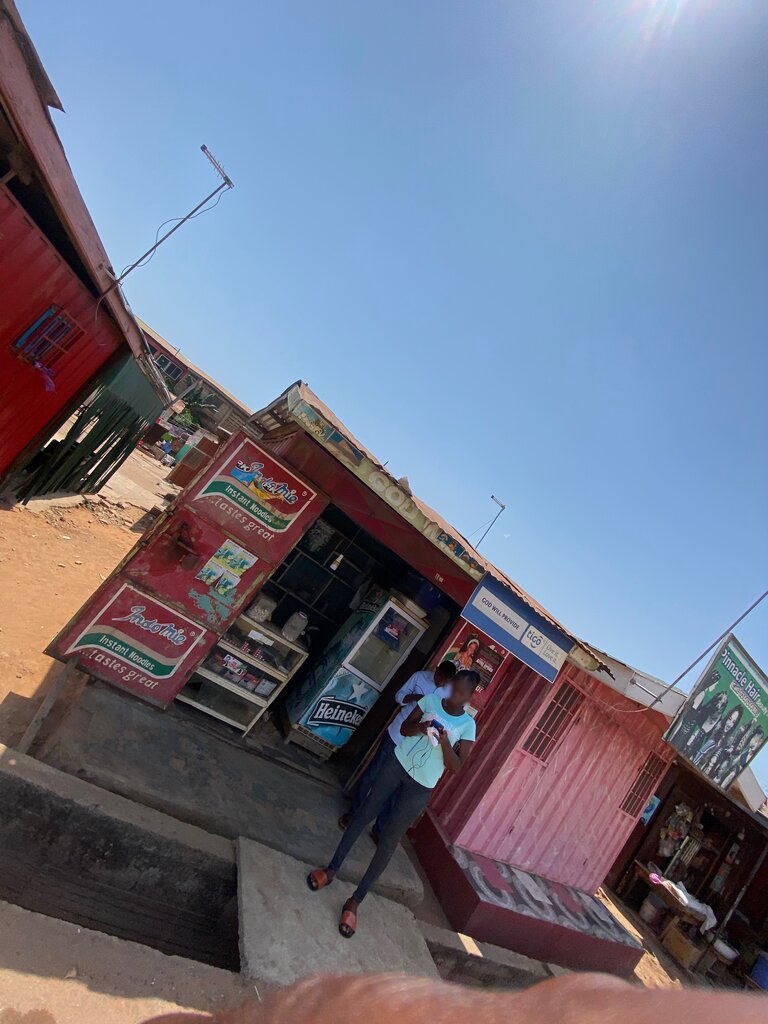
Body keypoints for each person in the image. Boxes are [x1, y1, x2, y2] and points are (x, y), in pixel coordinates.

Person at [307, 670, 479, 938]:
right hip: (396, 766)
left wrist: (445, 743)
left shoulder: (468, 726)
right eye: (454, 688)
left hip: (420, 787)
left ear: (469, 696)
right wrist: (422, 727)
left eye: (461, 692)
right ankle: (331, 869)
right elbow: (403, 728)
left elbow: (456, 766)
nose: (455, 695)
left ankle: (355, 901)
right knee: (363, 815)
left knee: (388, 840)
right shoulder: (430, 702)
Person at [339, 661, 458, 838]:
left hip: (415, 746)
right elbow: (399, 696)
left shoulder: (449, 694)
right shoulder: (419, 677)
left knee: (396, 790)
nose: (441, 683)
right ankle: (354, 814)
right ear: (437, 670)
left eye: (445, 681)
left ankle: (379, 829)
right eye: (440, 678)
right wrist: (416, 698)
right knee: (373, 775)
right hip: (397, 734)